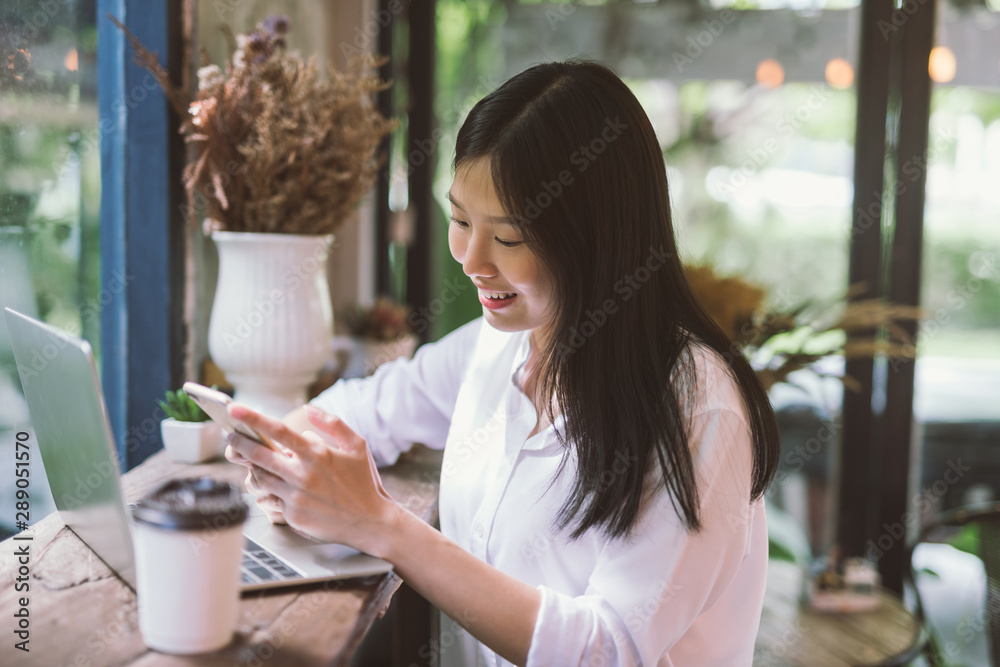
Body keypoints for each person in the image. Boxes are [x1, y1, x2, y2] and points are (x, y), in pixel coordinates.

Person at [225, 59, 780, 667]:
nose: (471, 259)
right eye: (460, 220)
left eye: (508, 238)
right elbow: (369, 408)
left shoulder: (698, 407)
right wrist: (283, 455)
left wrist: (381, 524)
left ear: (597, 236)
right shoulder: (501, 344)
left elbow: (608, 650)